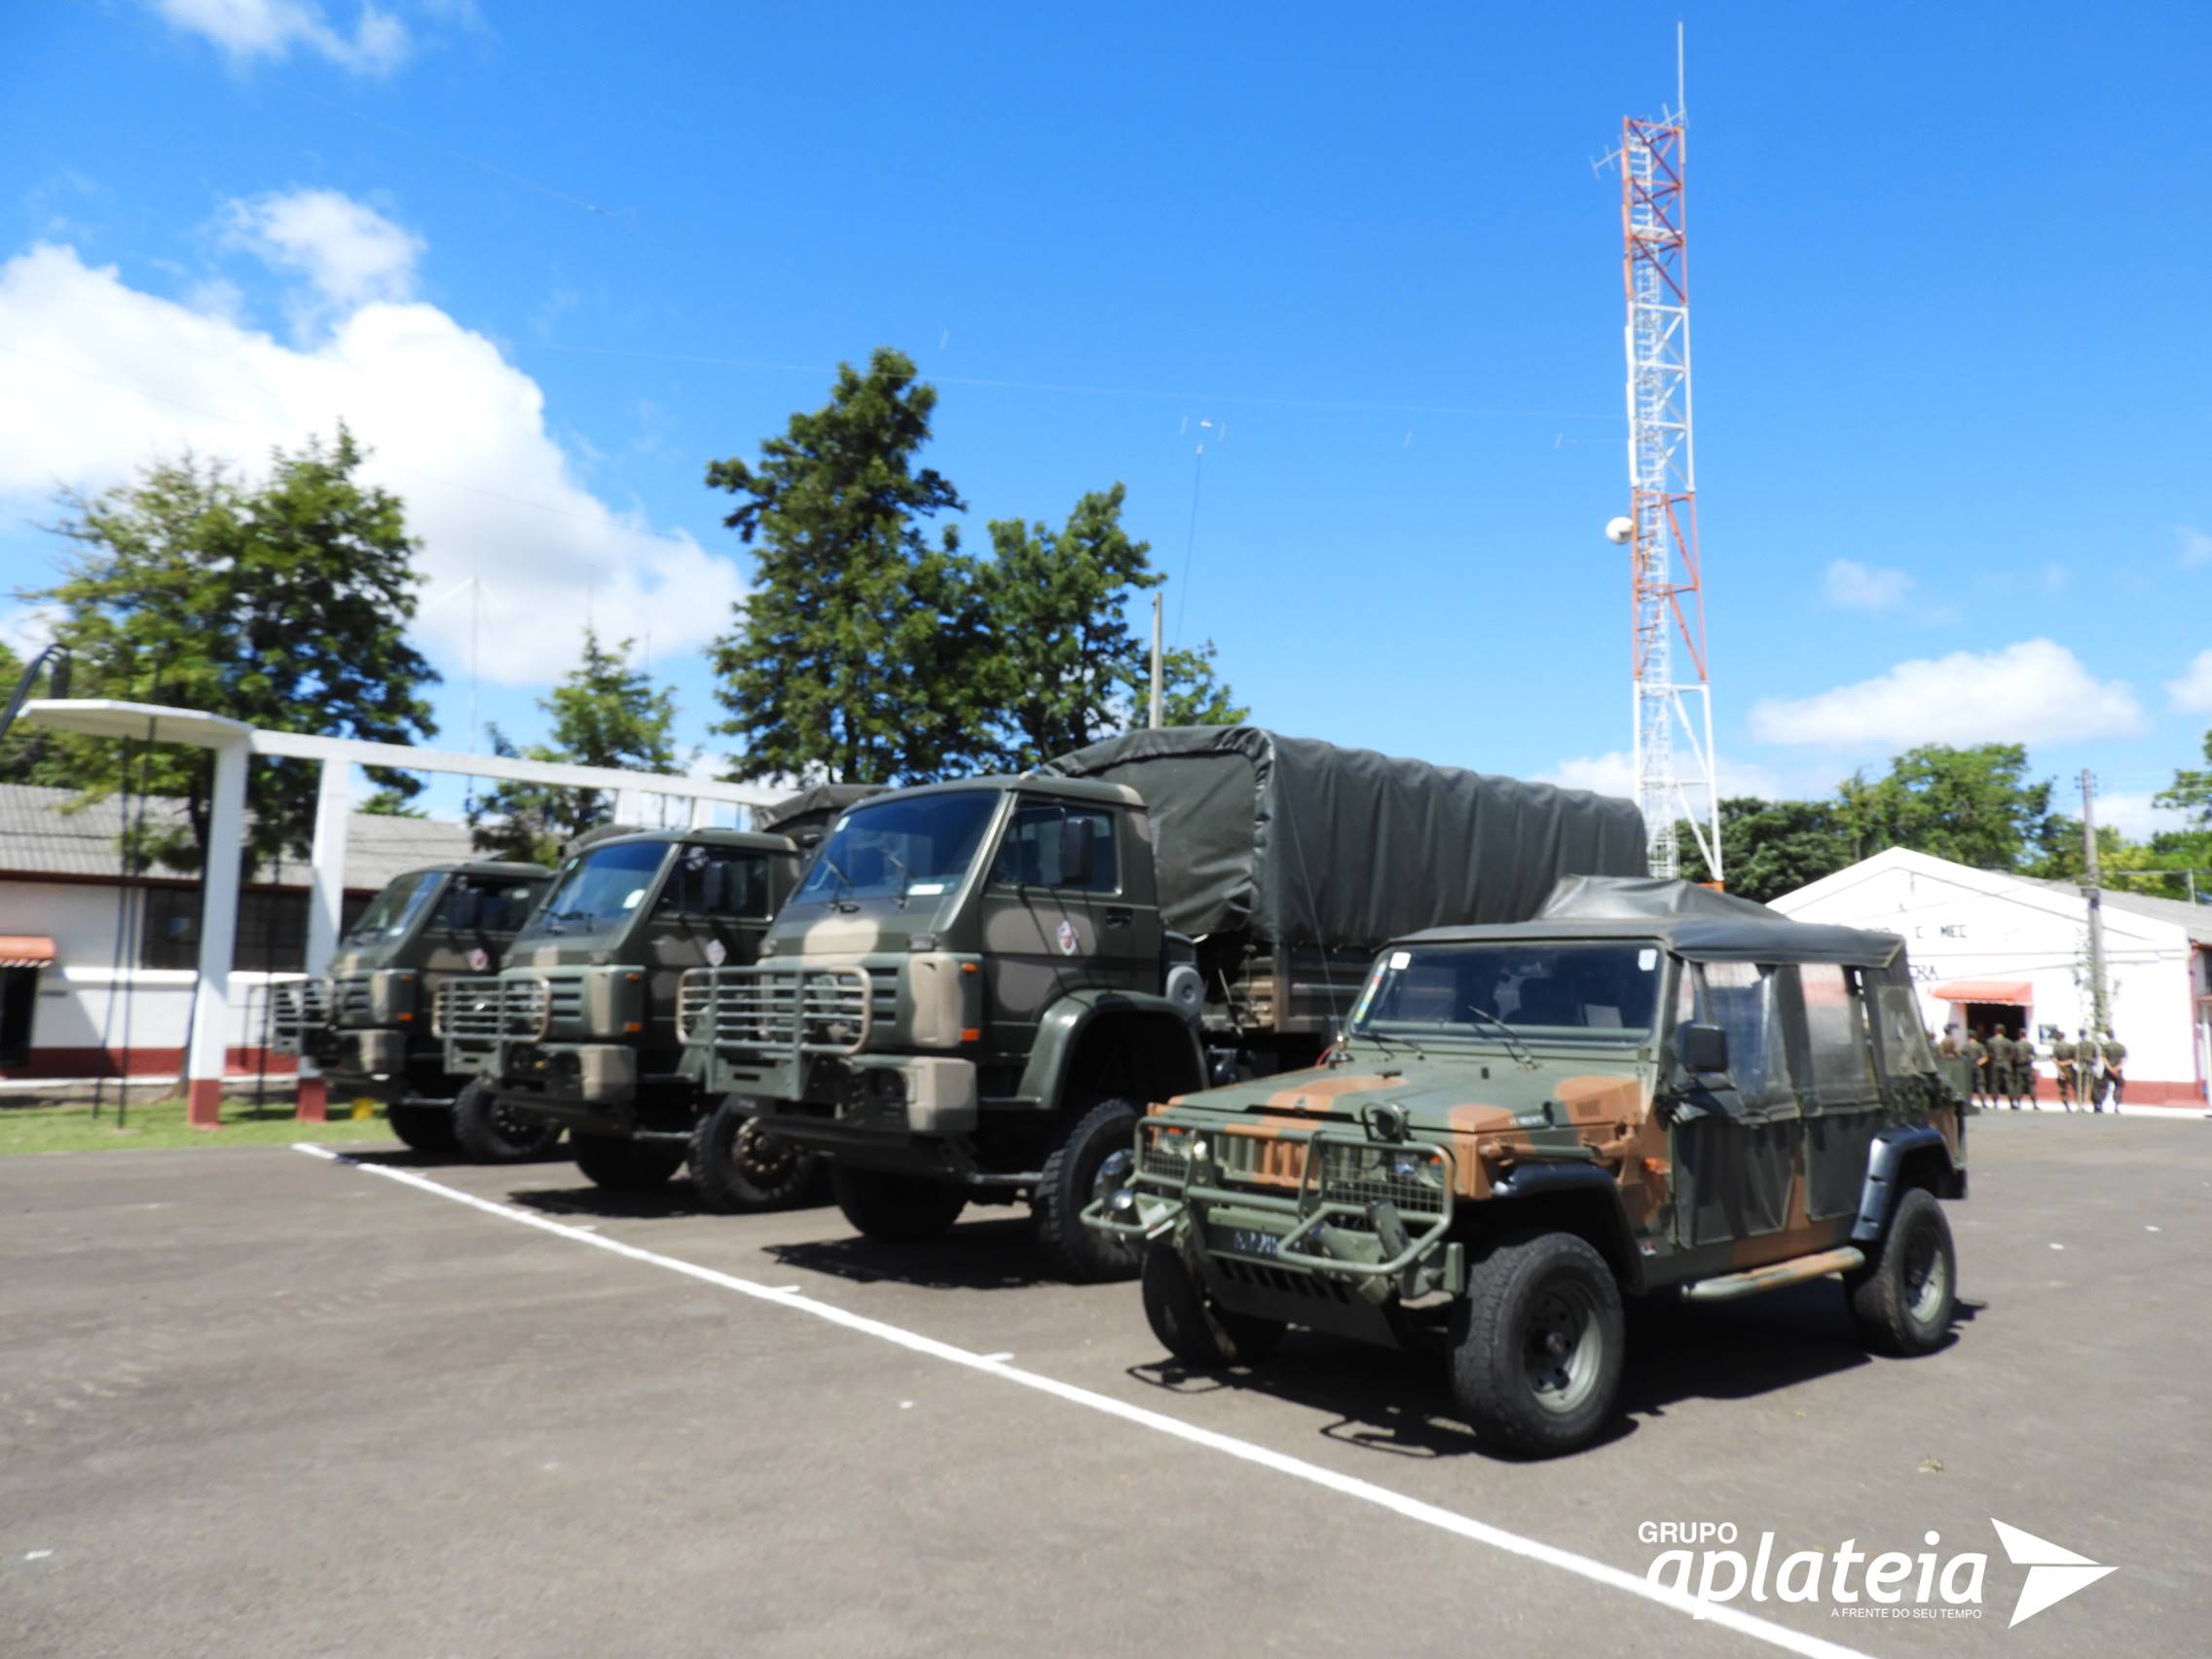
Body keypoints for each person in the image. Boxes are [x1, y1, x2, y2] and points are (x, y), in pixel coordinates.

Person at [1988, 1026, 2018, 1109]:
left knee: (1995, 1083)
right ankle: (2012, 1103)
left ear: (1995, 1031)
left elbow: (1989, 1054)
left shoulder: (1990, 1041)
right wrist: (2008, 1060)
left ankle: (1995, 1103)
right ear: (2004, 1031)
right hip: (2006, 1063)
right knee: (2009, 1083)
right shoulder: (2008, 1042)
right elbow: (2013, 1054)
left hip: (1995, 1063)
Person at [2098, 1028, 2127, 1112]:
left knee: (2104, 1087)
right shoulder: (2121, 1047)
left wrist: (2110, 1068)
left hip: (2108, 1070)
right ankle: (2116, 1106)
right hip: (2118, 1070)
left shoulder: (2105, 1047)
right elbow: (2124, 1060)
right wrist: (2117, 1068)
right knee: (2118, 1087)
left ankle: (2100, 1105)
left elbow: (2104, 1059)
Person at [2010, 1029, 2037, 1109]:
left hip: (2020, 1066)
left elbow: (2013, 1056)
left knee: (2019, 1085)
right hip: (2028, 1066)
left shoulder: (2016, 1045)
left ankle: (2018, 1103)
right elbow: (2034, 1056)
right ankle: (2034, 1104)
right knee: (2031, 1085)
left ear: (2019, 1035)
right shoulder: (2030, 1045)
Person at [1965, 1026, 1990, 1107]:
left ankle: (1969, 1102)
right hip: (1979, 1068)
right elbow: (1985, 1057)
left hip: (1968, 1068)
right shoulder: (1980, 1046)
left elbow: (1960, 1057)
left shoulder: (1964, 1046)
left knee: (1968, 1085)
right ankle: (1983, 1102)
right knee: (1981, 1085)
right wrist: (1978, 1063)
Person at [2074, 1028, 2100, 1110]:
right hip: (2090, 1067)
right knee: (2090, 1086)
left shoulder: (2078, 1045)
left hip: (2081, 1067)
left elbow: (2076, 1057)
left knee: (2080, 1087)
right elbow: (2096, 1057)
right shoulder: (2092, 1044)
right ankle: (2089, 1104)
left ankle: (2080, 1105)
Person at [2051, 1031, 2077, 1110]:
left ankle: (2066, 1105)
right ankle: (2079, 1104)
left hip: (2061, 1070)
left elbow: (2055, 1060)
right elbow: (2074, 1059)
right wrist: (2065, 1063)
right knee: (2076, 1087)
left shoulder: (2056, 1047)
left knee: (2063, 1088)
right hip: (2070, 1069)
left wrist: (2060, 1068)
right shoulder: (2071, 1046)